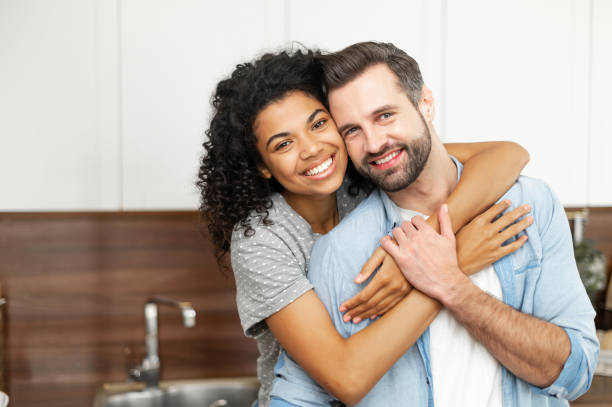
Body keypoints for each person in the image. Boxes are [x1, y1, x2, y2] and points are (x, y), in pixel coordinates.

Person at [270, 42, 599, 406]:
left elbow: (576, 372)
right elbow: (297, 398)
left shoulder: (529, 206)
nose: (375, 143)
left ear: (425, 104)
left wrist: (454, 287)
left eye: (384, 116)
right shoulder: (339, 251)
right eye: (352, 131)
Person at [198, 48, 531, 407]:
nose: (311, 149)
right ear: (262, 166)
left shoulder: (366, 171)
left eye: (319, 123)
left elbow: (508, 153)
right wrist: (453, 267)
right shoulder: (261, 239)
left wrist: (434, 235)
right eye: (283, 143)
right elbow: (347, 377)